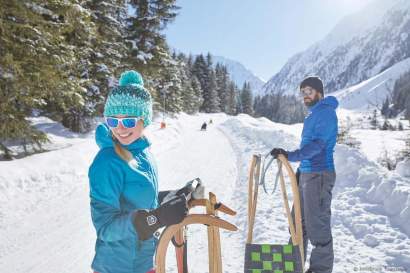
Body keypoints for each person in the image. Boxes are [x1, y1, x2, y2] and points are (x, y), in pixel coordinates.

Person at [89, 70, 188, 273]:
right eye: (113, 121)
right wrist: (155, 219)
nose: (120, 128)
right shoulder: (107, 162)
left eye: (128, 121)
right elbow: (105, 228)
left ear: (144, 119)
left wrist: (170, 198)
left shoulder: (143, 153)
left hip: (145, 261)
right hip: (117, 266)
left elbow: (140, 202)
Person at [270, 76, 338, 273]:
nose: (305, 96)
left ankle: (320, 269)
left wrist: (291, 156)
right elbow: (309, 146)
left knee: (317, 226)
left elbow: (318, 145)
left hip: (319, 174)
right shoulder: (312, 115)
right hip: (308, 174)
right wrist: (300, 170)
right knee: (299, 222)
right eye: (302, 93)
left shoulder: (325, 112)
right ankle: (294, 264)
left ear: (319, 92)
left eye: (309, 91)